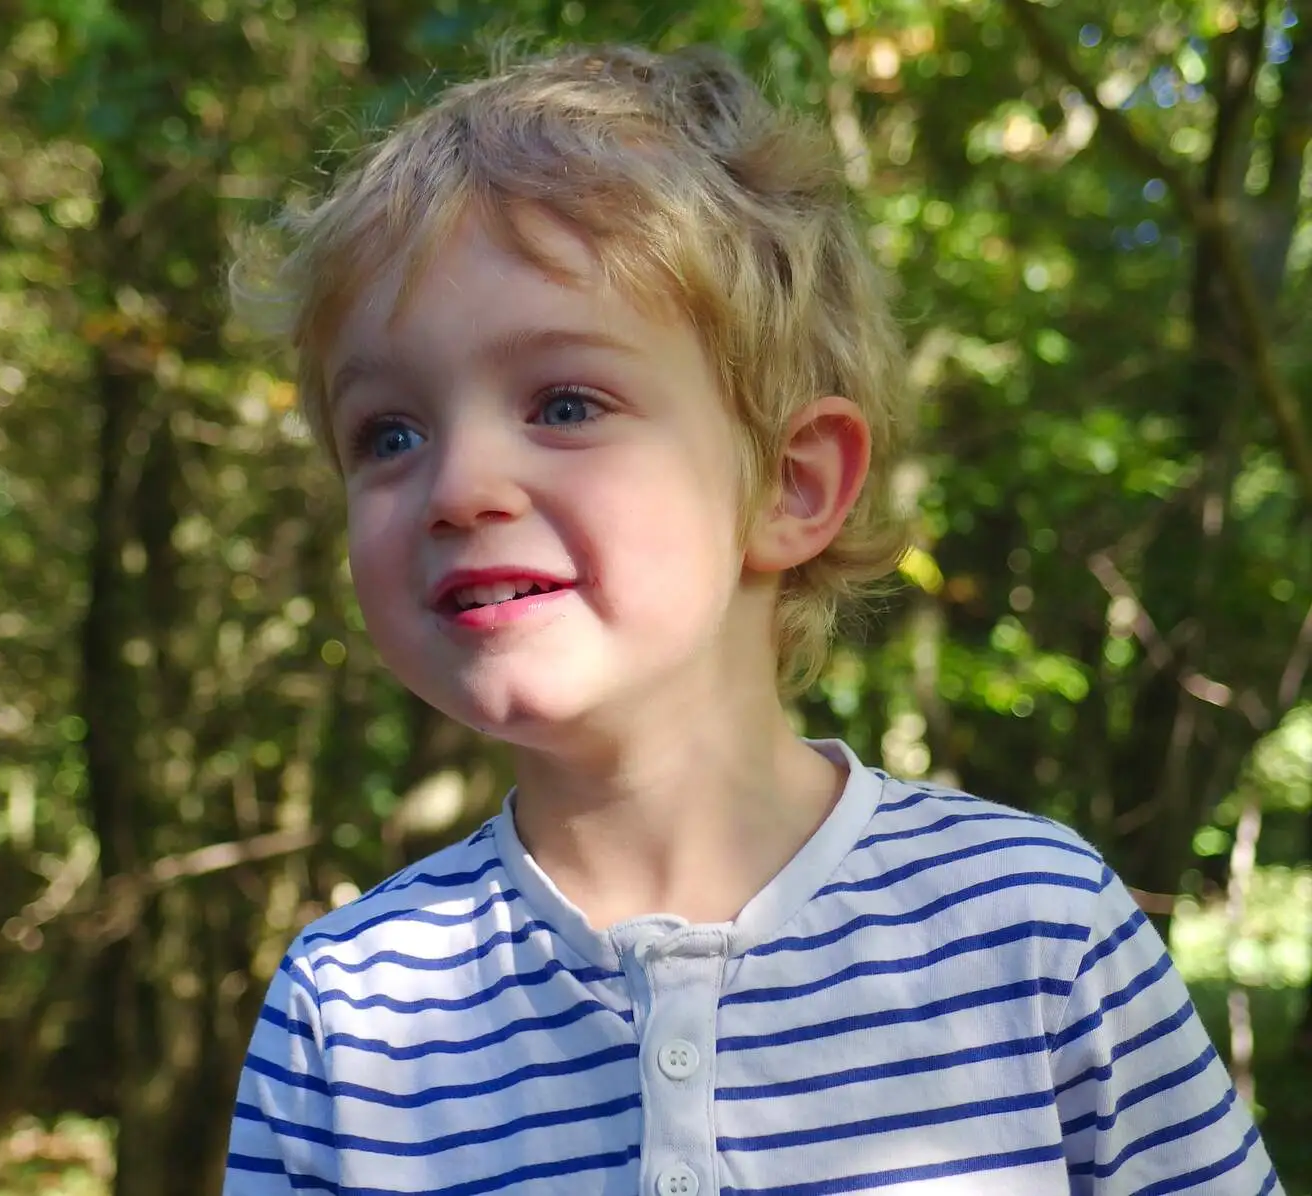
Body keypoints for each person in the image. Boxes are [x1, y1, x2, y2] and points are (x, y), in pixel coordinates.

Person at [223, 43, 1283, 1196]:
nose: (457, 482)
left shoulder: (1030, 927)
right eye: (388, 432)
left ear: (790, 484)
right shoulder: (355, 1006)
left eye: (565, 402)